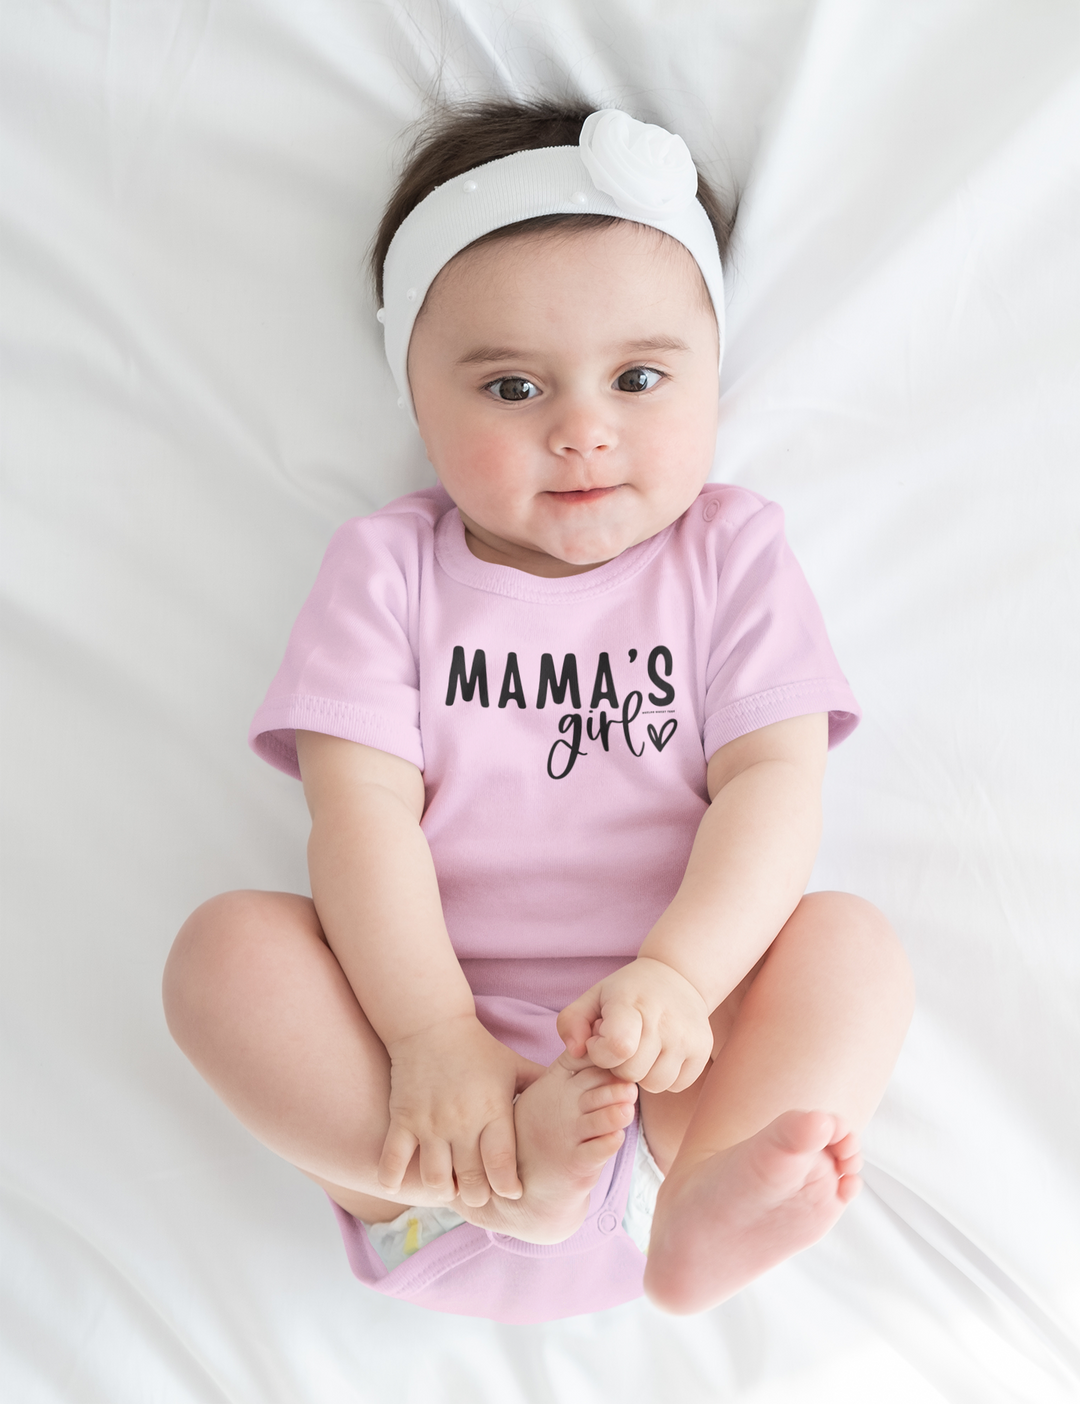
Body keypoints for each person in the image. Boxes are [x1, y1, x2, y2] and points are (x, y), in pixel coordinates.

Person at [162, 100, 914, 1323]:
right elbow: (360, 818)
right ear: (417, 398)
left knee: (852, 948)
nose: (580, 429)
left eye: (639, 377)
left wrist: (679, 973)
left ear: (713, 376)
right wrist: (432, 1037)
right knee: (222, 955)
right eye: (512, 386)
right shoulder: (387, 570)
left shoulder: (731, 556)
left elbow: (775, 785)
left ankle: (705, 1201)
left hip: (675, 1088)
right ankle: (480, 1184)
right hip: (421, 1123)